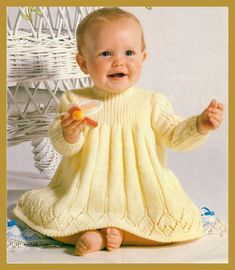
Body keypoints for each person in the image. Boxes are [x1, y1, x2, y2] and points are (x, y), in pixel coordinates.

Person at [13, 7, 224, 256]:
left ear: (143, 57)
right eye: (105, 53)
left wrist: (198, 125)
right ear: (83, 63)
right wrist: (70, 132)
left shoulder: (152, 101)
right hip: (86, 193)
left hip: (142, 194)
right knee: (48, 213)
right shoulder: (75, 100)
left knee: (183, 221)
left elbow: (175, 135)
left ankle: (117, 234)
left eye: (129, 52)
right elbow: (66, 147)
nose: (118, 61)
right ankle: (90, 232)